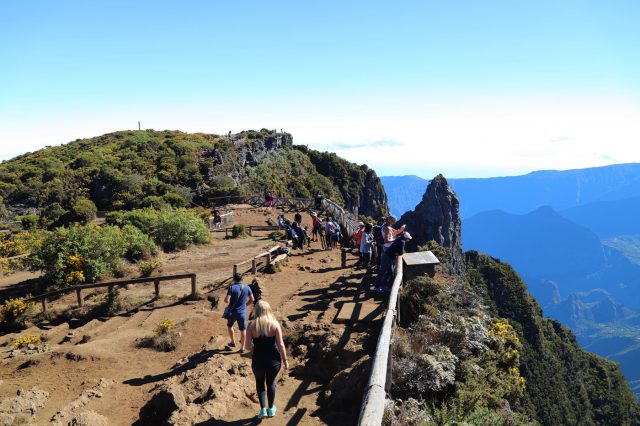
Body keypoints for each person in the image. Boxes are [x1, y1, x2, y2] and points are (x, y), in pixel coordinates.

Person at [244, 300, 289, 419]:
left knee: (260, 384)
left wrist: (257, 347)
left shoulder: (251, 325)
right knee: (271, 383)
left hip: (258, 361)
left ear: (256, 311)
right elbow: (281, 344)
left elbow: (247, 346)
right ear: (268, 310)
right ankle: (271, 409)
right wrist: (285, 360)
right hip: (273, 361)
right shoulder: (274, 324)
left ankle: (263, 410)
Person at [224, 273, 255, 349]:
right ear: (242, 279)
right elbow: (252, 299)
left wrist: (226, 299)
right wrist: (245, 305)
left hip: (232, 312)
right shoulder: (247, 287)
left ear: (234, 279)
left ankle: (233, 342)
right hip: (242, 313)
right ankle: (242, 348)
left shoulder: (231, 288)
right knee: (243, 329)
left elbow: (227, 300)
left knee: (229, 326)